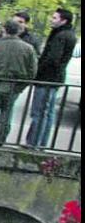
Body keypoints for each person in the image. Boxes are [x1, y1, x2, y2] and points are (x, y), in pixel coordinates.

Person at [0, 19, 38, 144]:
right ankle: (1, 137)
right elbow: (32, 71)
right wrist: (22, 85)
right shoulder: (28, 48)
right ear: (19, 31)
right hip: (14, 85)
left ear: (4, 29)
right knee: (7, 112)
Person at [25, 8, 77, 149]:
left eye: (54, 18)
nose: (51, 20)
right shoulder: (69, 34)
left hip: (47, 78)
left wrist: (38, 71)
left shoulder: (60, 36)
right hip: (55, 78)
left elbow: (53, 58)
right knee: (47, 112)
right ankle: (40, 143)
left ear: (63, 20)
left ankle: (34, 143)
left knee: (40, 111)